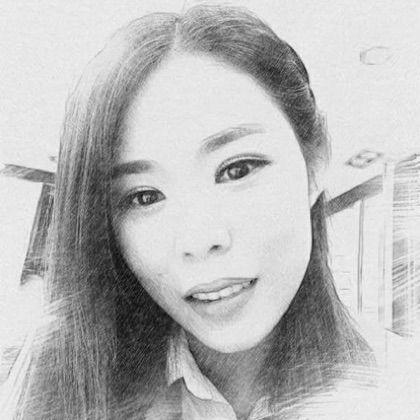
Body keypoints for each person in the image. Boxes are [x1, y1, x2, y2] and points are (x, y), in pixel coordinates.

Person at [11, 4, 379, 419]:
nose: (199, 239)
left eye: (237, 169)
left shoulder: (397, 388)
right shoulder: (56, 395)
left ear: (315, 161)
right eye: (145, 197)